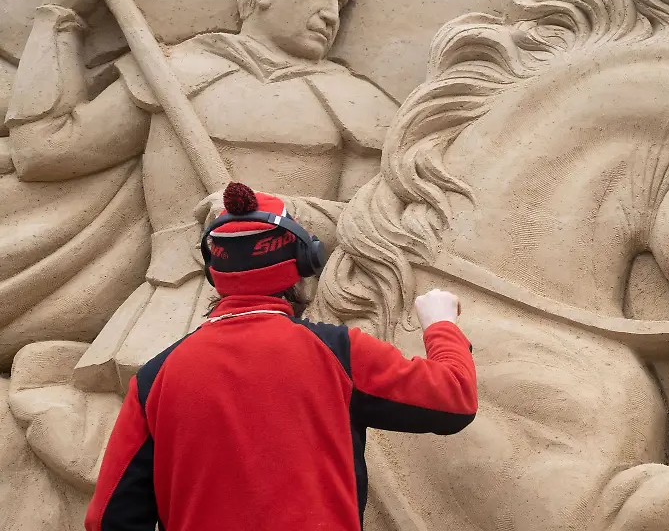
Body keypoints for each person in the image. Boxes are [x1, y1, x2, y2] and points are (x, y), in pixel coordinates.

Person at [4, 0, 397, 387]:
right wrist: (58, 19)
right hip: (174, 306)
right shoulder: (174, 71)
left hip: (299, 311)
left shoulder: (359, 105)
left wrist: (283, 212)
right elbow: (46, 149)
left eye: (341, 1)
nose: (331, 13)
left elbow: (371, 222)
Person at [84, 182, 477, 530]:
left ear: (213, 271)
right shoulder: (339, 353)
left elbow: (109, 519)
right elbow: (454, 399)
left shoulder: (155, 378)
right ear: (303, 261)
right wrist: (440, 324)